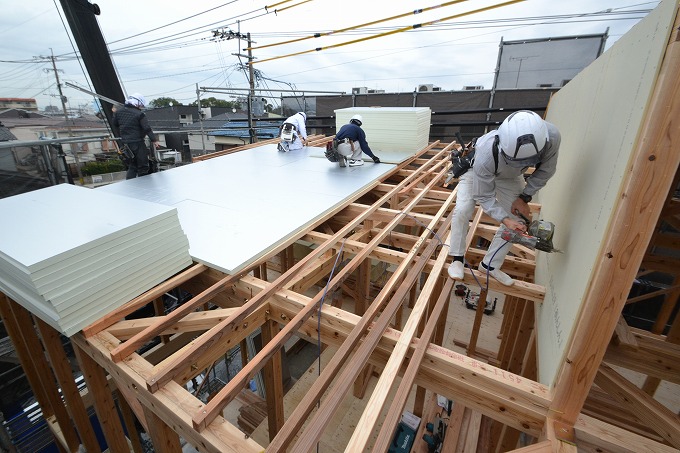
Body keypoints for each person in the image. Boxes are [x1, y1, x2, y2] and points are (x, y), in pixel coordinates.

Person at [447, 110, 561, 286]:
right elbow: (483, 195)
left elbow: (546, 171)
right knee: (463, 209)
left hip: (510, 176)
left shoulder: (551, 137)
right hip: (476, 171)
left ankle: (490, 266)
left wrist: (524, 197)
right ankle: (457, 258)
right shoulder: (486, 152)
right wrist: (504, 219)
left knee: (519, 219)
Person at [112, 93, 160, 179]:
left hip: (126, 143)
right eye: (141, 105)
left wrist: (122, 135)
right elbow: (146, 128)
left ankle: (131, 186)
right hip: (138, 142)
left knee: (132, 166)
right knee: (143, 166)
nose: (141, 107)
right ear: (137, 103)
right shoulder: (139, 114)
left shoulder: (118, 112)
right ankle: (144, 184)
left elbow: (115, 124)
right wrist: (154, 140)